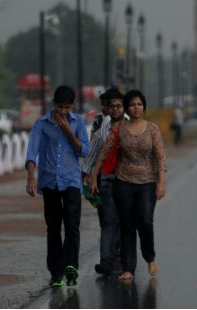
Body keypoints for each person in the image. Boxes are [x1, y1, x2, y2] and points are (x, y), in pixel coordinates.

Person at [89, 89, 166, 281]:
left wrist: (161, 183)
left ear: (143, 106)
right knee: (127, 225)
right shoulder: (118, 129)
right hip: (123, 183)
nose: (136, 107)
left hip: (147, 183)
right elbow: (103, 154)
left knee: (146, 222)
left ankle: (150, 258)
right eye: (132, 104)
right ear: (127, 108)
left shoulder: (152, 129)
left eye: (139, 104)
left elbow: (160, 156)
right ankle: (128, 268)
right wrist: (93, 177)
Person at [25, 85, 89, 287]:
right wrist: (30, 178)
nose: (63, 111)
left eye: (67, 107)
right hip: (49, 181)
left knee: (71, 226)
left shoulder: (77, 122)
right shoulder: (41, 123)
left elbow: (84, 151)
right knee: (53, 228)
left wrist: (68, 132)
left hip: (71, 181)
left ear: (72, 105)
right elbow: (31, 151)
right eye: (60, 107)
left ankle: (71, 267)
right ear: (53, 103)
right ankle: (55, 271)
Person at [81, 88, 125, 276]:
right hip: (105, 181)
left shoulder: (135, 126)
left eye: (117, 106)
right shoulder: (103, 127)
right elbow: (92, 155)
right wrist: (87, 179)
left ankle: (126, 258)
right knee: (107, 222)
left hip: (129, 183)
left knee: (127, 222)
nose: (113, 109)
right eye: (110, 106)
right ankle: (106, 262)